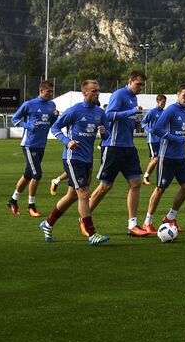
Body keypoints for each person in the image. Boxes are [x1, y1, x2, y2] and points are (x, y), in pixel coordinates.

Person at [41, 79, 109, 245]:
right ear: (85, 93)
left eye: (98, 90)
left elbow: (105, 137)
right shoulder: (75, 110)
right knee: (84, 194)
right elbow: (55, 128)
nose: (97, 93)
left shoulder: (100, 113)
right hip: (72, 158)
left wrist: (104, 132)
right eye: (94, 91)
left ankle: (48, 223)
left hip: (88, 158)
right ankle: (92, 234)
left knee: (72, 195)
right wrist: (67, 141)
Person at [90, 71, 150, 236]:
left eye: (142, 85)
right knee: (105, 186)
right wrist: (130, 112)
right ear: (130, 81)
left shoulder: (134, 98)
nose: (140, 88)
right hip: (114, 146)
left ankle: (132, 226)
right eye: (138, 84)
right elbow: (108, 115)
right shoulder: (119, 94)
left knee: (136, 183)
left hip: (128, 147)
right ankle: (84, 217)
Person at [143, 85, 185, 233]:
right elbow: (157, 129)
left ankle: (170, 217)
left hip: (181, 157)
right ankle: (148, 222)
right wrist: (176, 139)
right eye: (184, 95)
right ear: (178, 94)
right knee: (160, 189)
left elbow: (180, 132)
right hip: (167, 157)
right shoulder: (171, 110)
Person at [8, 81, 57, 218]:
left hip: (42, 144)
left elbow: (52, 122)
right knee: (37, 174)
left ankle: (13, 200)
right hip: (29, 144)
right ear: (41, 90)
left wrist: (56, 116)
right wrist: (28, 126)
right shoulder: (29, 104)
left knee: (28, 175)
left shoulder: (51, 105)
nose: (50, 94)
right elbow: (15, 119)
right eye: (48, 91)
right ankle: (31, 205)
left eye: (52, 92)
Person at [140, 93, 167, 185]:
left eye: (165, 102)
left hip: (161, 139)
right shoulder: (152, 112)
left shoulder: (165, 112)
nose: (164, 104)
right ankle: (145, 176)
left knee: (158, 159)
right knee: (156, 159)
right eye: (162, 102)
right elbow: (143, 122)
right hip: (153, 140)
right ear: (158, 101)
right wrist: (149, 130)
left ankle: (154, 177)